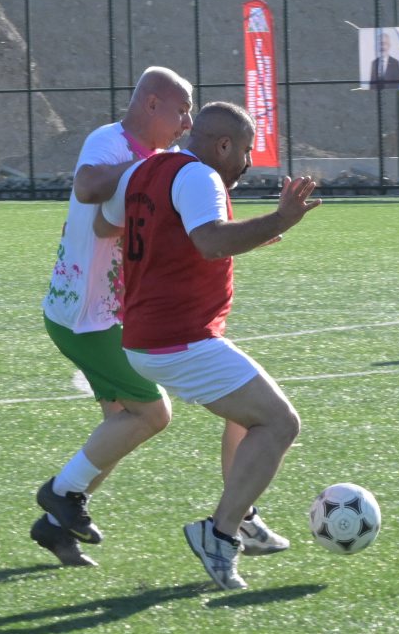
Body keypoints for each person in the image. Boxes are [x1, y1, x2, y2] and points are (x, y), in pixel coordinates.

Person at [29, 68, 291, 569]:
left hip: (112, 310)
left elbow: (130, 223)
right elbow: (87, 186)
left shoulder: (163, 164)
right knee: (153, 414)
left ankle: (59, 519)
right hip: (90, 313)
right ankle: (63, 494)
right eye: (182, 110)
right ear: (152, 104)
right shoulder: (112, 142)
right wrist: (144, 171)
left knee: (124, 423)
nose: (186, 122)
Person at [88, 101, 320, 592]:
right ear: (222, 146)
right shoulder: (199, 178)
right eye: (245, 150)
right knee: (280, 423)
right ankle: (220, 533)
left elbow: (108, 224)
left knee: (246, 412)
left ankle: (246, 516)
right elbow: (211, 242)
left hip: (153, 334)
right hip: (177, 339)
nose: (249, 162)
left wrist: (242, 236)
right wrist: (281, 219)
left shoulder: (146, 170)